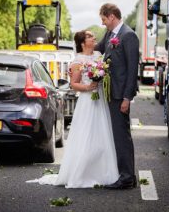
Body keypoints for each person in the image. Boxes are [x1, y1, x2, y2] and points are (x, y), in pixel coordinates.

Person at [28, 30, 119, 188]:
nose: (94, 37)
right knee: (85, 135)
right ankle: (82, 173)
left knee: (103, 134)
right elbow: (73, 84)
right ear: (83, 43)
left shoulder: (99, 55)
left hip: (101, 100)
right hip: (87, 101)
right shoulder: (78, 61)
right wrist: (89, 86)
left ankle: (104, 172)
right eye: (90, 36)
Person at [95, 3, 139, 189]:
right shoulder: (109, 35)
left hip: (121, 96)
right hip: (109, 93)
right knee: (115, 136)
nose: (103, 23)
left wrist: (127, 98)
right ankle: (123, 174)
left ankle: (127, 178)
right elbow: (95, 48)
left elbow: (132, 70)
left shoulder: (128, 36)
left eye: (104, 20)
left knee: (121, 137)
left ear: (112, 16)